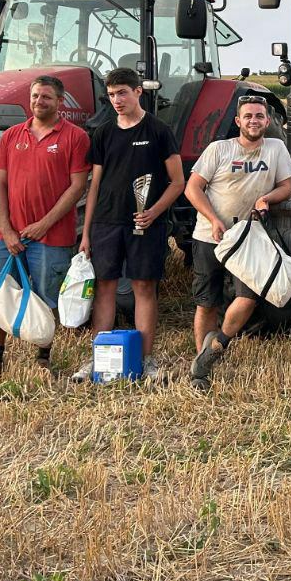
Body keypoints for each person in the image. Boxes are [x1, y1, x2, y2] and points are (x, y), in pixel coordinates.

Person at [75, 68, 184, 382]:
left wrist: (153, 212)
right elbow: (94, 185)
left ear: (138, 92)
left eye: (122, 92)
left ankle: (145, 359)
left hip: (145, 225)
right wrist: (87, 232)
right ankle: (99, 358)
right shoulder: (104, 132)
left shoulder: (160, 131)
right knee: (105, 287)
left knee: (143, 288)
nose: (117, 100)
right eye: (111, 95)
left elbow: (177, 182)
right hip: (107, 222)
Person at [185, 94, 291, 390]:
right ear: (238, 121)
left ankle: (217, 345)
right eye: (248, 116)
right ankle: (201, 370)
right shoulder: (218, 149)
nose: (254, 121)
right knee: (207, 301)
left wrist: (266, 199)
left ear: (268, 121)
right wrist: (212, 219)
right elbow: (192, 188)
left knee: (249, 296)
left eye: (259, 116)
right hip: (212, 235)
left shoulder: (276, 148)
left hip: (248, 237)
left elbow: (286, 186)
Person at [0, 74, 90, 374]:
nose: (38, 101)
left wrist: (44, 224)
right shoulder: (11, 136)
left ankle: (42, 356)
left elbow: (76, 187)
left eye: (46, 97)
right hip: (8, 237)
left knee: (47, 299)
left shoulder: (75, 137)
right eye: (34, 96)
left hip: (51, 237)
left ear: (60, 101)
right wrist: (5, 229)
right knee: (0, 296)